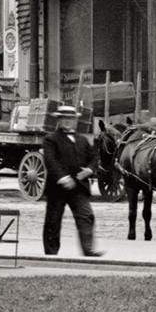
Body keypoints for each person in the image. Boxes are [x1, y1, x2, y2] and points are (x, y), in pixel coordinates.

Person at [42, 105, 104, 257]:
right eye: (64, 118)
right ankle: (51, 253)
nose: (67, 121)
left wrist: (89, 170)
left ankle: (88, 249)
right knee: (53, 220)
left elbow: (94, 158)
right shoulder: (51, 139)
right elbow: (51, 161)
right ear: (59, 120)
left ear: (75, 120)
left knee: (86, 216)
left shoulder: (82, 139)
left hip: (79, 187)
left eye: (71, 118)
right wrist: (63, 178)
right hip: (58, 188)